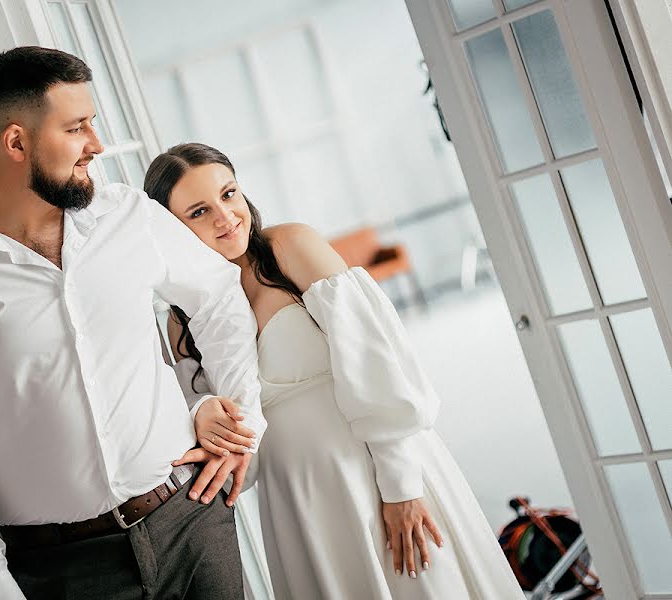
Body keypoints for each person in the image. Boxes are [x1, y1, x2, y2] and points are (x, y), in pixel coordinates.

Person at [0, 49, 267, 600]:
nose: (96, 144)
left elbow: (218, 298)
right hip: (64, 572)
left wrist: (242, 422)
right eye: (76, 128)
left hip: (192, 523)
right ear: (16, 143)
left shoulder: (129, 217)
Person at [145, 143, 527, 600]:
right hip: (296, 496)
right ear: (170, 228)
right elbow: (222, 435)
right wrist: (204, 410)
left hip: (373, 463)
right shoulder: (180, 320)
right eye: (200, 211)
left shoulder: (290, 248)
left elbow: (378, 363)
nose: (226, 217)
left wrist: (401, 486)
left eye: (229, 194)